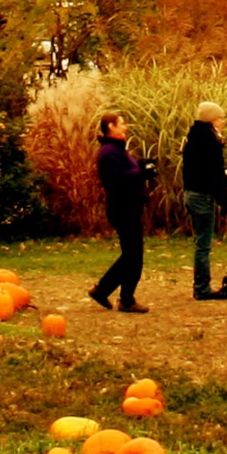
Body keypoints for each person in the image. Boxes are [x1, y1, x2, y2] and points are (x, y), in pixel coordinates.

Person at [88, 112, 151, 312]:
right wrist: (141, 172)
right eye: (122, 123)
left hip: (129, 208)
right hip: (123, 209)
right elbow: (118, 180)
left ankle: (113, 293)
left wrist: (142, 167)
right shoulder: (108, 153)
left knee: (132, 255)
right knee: (133, 256)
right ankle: (119, 296)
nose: (125, 126)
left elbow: (129, 173)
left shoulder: (118, 151)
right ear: (111, 126)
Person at [182, 102, 227, 300]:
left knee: (200, 241)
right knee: (203, 244)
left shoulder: (192, 139)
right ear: (211, 120)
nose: (223, 122)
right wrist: (224, 200)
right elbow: (214, 173)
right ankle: (202, 287)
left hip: (191, 194)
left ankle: (201, 285)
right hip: (202, 196)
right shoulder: (210, 142)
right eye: (220, 118)